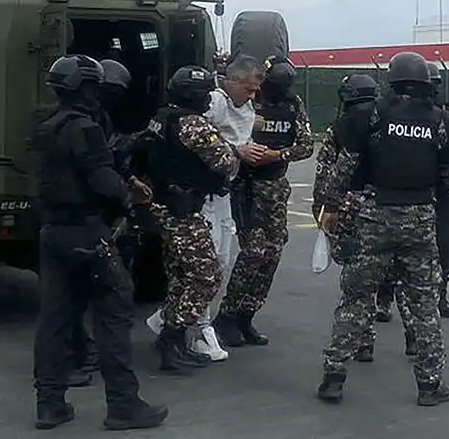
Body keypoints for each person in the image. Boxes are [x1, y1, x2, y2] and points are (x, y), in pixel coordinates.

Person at [315, 52, 449, 407]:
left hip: (374, 216)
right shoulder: (440, 121)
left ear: (392, 80)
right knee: (424, 304)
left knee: (355, 299)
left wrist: (333, 207)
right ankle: (430, 386)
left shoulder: (371, 116)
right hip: (419, 219)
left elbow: (344, 169)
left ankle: (333, 378)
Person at [31, 54, 167, 431]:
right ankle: (123, 403)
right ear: (87, 87)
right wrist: (128, 197)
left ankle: (49, 403)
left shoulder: (47, 126)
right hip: (88, 232)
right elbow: (102, 181)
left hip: (52, 232)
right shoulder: (85, 129)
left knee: (54, 320)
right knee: (114, 310)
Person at [144, 55, 266, 362]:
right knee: (207, 273)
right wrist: (238, 151)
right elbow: (224, 163)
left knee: (179, 273)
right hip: (187, 207)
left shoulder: (162, 117)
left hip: (164, 203)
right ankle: (173, 333)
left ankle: (173, 342)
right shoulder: (195, 124)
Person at [212, 55, 314, 347]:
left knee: (273, 251)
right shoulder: (245, 101)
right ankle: (227, 316)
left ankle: (247, 314)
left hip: (275, 185)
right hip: (246, 185)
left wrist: (278, 155)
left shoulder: (293, 105)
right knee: (253, 251)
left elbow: (305, 145)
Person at [66, 58, 136, 387]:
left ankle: (78, 351)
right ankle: (80, 351)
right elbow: (100, 168)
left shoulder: (78, 118)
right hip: (85, 218)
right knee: (95, 293)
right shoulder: (85, 123)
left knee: (73, 295)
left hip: (78, 218)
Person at [376, 62, 449, 334]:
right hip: (412, 199)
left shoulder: (442, 117)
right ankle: (385, 299)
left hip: (438, 198)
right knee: (396, 257)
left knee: (442, 252)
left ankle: (440, 296)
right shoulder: (385, 114)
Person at [310, 72, 380, 364]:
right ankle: (410, 339)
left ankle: (360, 340)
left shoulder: (342, 126)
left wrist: (323, 208)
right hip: (382, 205)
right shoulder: (385, 122)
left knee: (355, 277)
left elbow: (326, 168)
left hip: (349, 204)